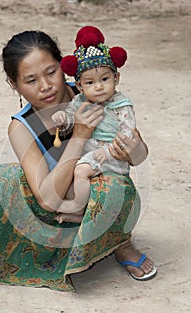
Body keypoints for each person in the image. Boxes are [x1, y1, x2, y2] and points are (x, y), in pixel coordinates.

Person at [0, 28, 157, 292]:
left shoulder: (92, 89)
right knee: (11, 177)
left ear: (65, 67)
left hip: (98, 200)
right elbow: (47, 199)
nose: (46, 86)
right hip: (56, 213)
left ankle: (119, 243)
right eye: (31, 80)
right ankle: (67, 248)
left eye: (50, 72)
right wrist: (79, 137)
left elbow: (136, 159)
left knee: (112, 184)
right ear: (15, 85)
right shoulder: (22, 127)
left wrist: (135, 147)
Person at [52, 26, 136, 224]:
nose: (98, 87)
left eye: (105, 79)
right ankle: (85, 207)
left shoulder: (121, 105)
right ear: (79, 85)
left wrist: (107, 152)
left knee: (81, 171)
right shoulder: (80, 101)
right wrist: (63, 119)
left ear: (116, 78)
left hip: (111, 157)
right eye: (90, 83)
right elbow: (72, 118)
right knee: (73, 173)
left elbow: (127, 133)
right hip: (90, 154)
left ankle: (78, 210)